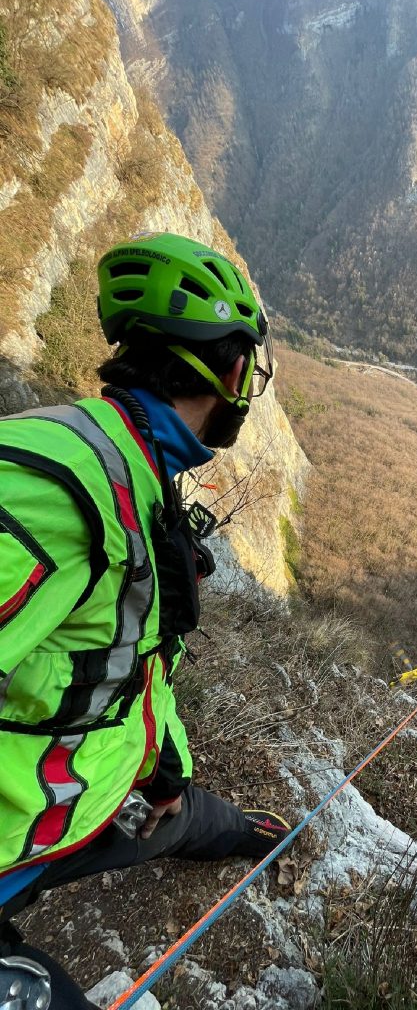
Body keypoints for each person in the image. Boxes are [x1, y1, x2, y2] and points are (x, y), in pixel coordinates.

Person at [0, 232, 291, 1009]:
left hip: (72, 808)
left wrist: (174, 788)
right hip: (16, 832)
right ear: (230, 371)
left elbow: (132, 658)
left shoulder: (137, 472)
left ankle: (214, 818)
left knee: (183, 813)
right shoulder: (60, 483)